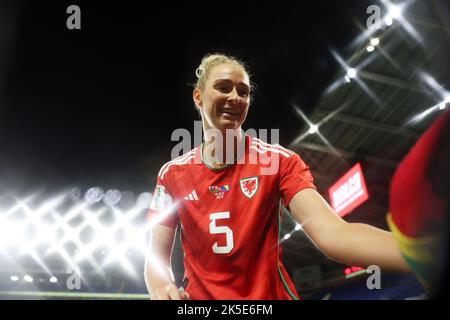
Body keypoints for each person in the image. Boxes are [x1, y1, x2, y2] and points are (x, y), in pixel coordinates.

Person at [144, 53, 410, 300]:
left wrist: (421, 253)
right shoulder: (171, 175)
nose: (236, 97)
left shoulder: (278, 161)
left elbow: (333, 235)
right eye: (223, 87)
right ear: (198, 97)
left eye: (243, 91)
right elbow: (156, 256)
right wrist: (161, 287)